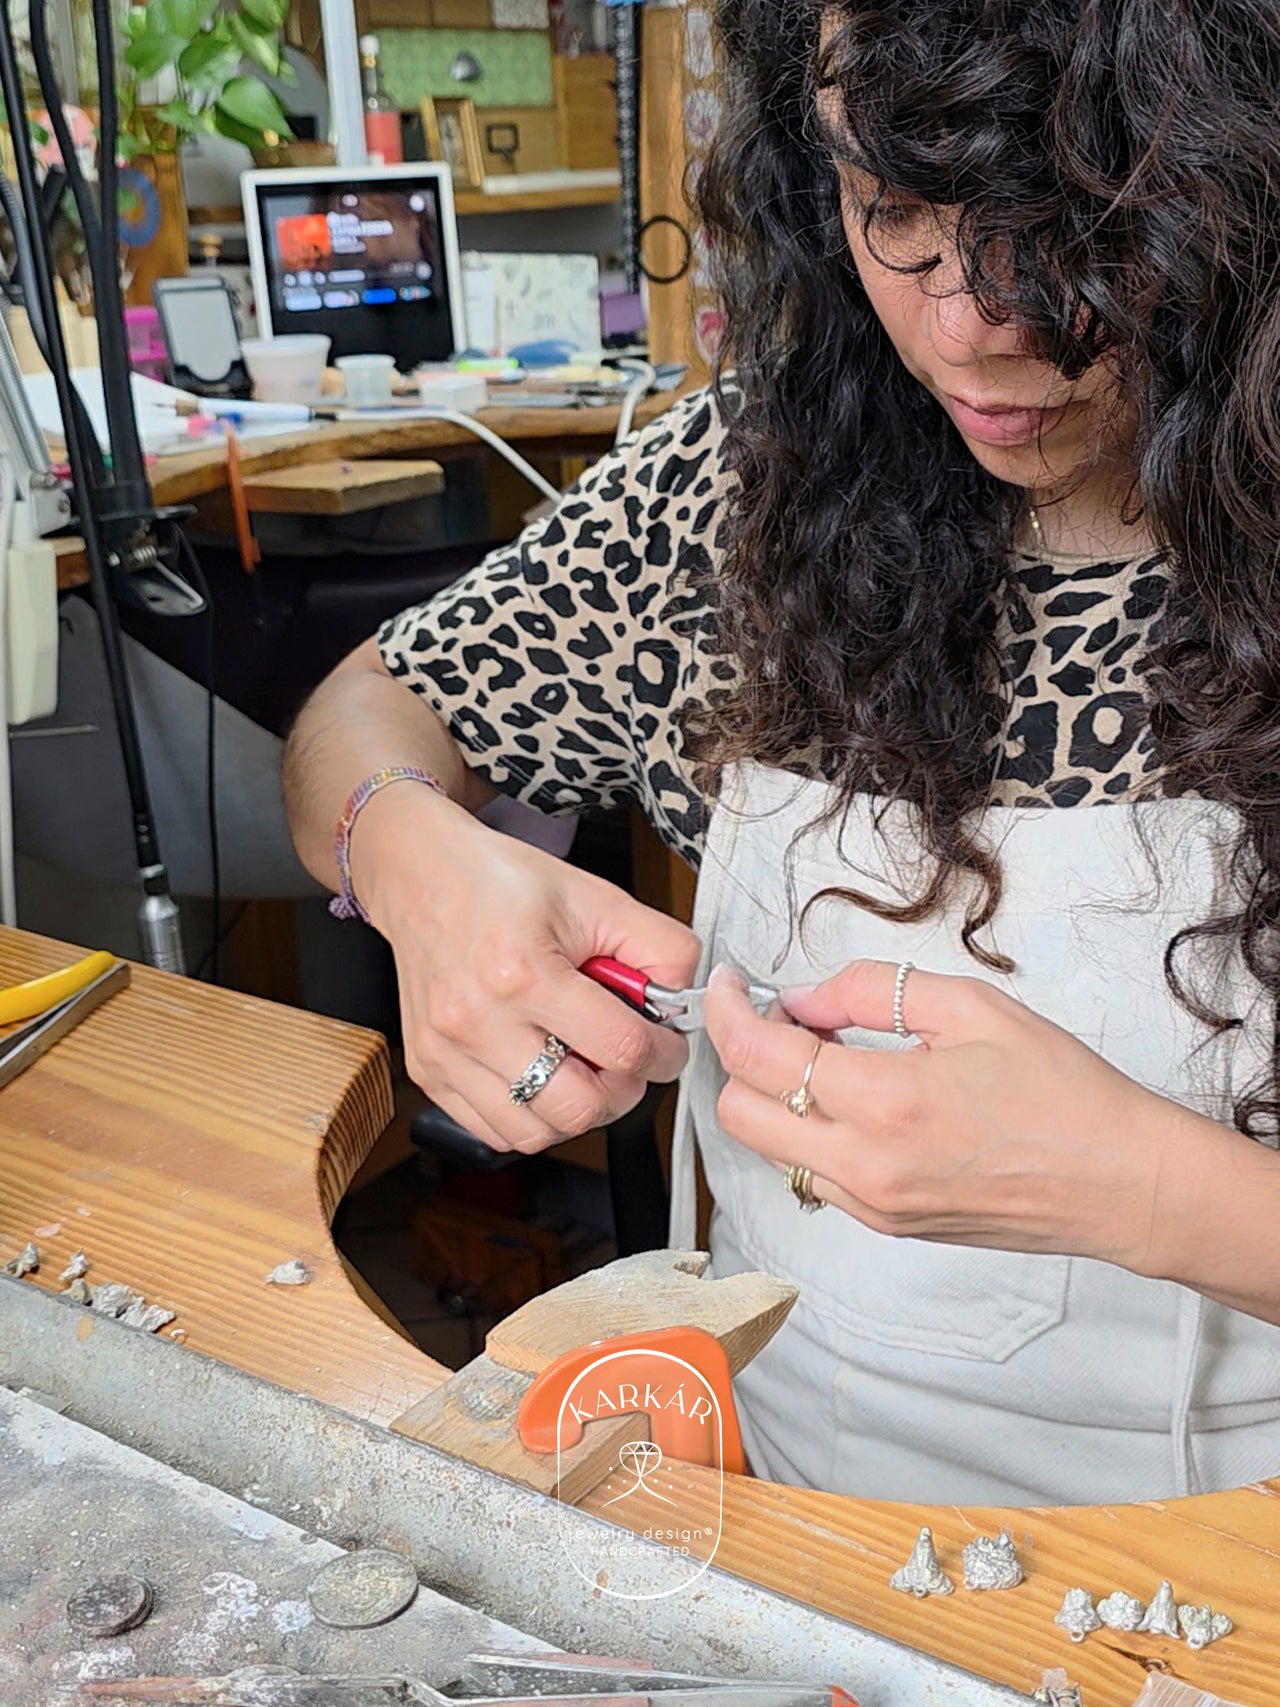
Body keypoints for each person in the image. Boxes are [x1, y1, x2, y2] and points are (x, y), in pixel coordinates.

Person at [284, 0, 1280, 1506]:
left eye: (1074, 231)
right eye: (897, 210)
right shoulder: (747, 484)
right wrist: (413, 861)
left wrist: (1147, 1191)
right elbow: (370, 706)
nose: (973, 328)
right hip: (784, 1507)